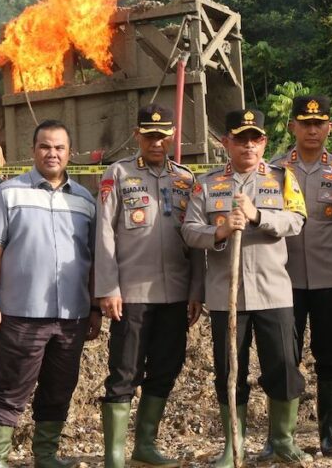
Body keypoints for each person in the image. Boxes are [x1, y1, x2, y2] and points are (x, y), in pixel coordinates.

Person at [181, 108, 310, 467]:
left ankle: (282, 440)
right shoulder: (206, 185)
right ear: (226, 143)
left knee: (283, 366)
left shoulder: (283, 178)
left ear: (264, 142)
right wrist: (219, 232)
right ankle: (232, 445)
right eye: (240, 139)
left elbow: (297, 220)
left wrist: (258, 216)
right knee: (229, 371)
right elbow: (189, 230)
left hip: (274, 293)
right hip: (227, 296)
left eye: (255, 139)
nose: (248, 146)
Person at [0, 119, 101, 468]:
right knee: (10, 389)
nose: (52, 153)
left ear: (69, 153)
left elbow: (92, 259)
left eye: (59, 147)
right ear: (33, 151)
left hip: (71, 318)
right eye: (45, 146)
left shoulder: (85, 200)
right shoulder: (9, 192)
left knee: (59, 390)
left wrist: (94, 308)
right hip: (20, 315)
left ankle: (46, 456)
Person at [96, 104, 203, 468]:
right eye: (150, 135)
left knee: (165, 368)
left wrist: (196, 291)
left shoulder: (186, 180)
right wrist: (108, 287)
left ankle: (145, 445)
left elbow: (196, 242)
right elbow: (104, 236)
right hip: (132, 294)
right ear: (137, 135)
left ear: (172, 136)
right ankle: (114, 456)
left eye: (163, 135)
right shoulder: (119, 174)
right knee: (124, 372)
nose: (157, 142)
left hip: (175, 294)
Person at [266, 95, 332, 457]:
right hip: (281, 279)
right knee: (282, 357)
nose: (311, 129)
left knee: (329, 355)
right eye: (304, 123)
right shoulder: (274, 171)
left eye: (318, 123)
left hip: (329, 277)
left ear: (329, 128)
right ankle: (280, 436)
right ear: (292, 126)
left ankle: (330, 434)